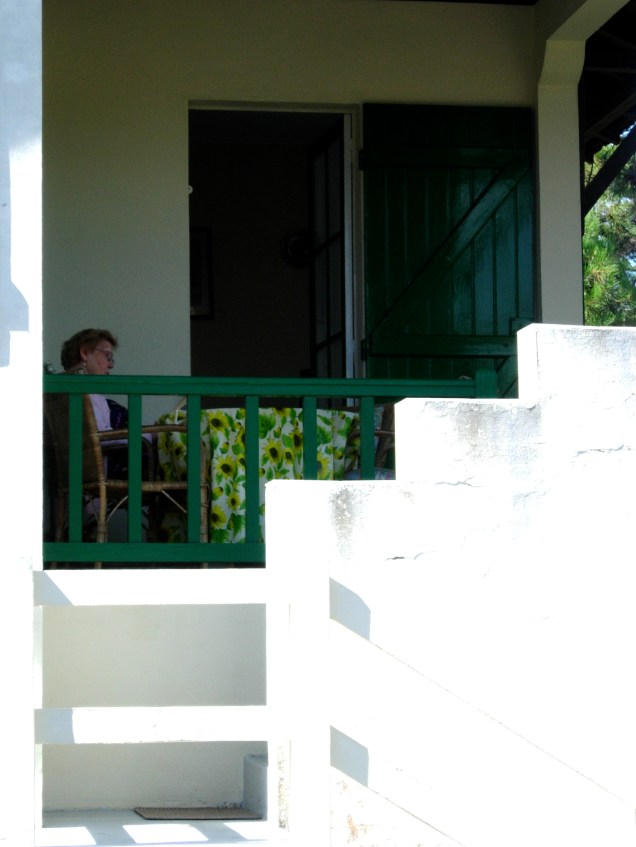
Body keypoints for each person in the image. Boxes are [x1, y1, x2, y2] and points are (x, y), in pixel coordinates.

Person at [61, 328, 127, 430]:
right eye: (107, 356)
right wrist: (151, 435)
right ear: (85, 353)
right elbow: (101, 439)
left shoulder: (92, 394)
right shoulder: (74, 395)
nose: (111, 365)